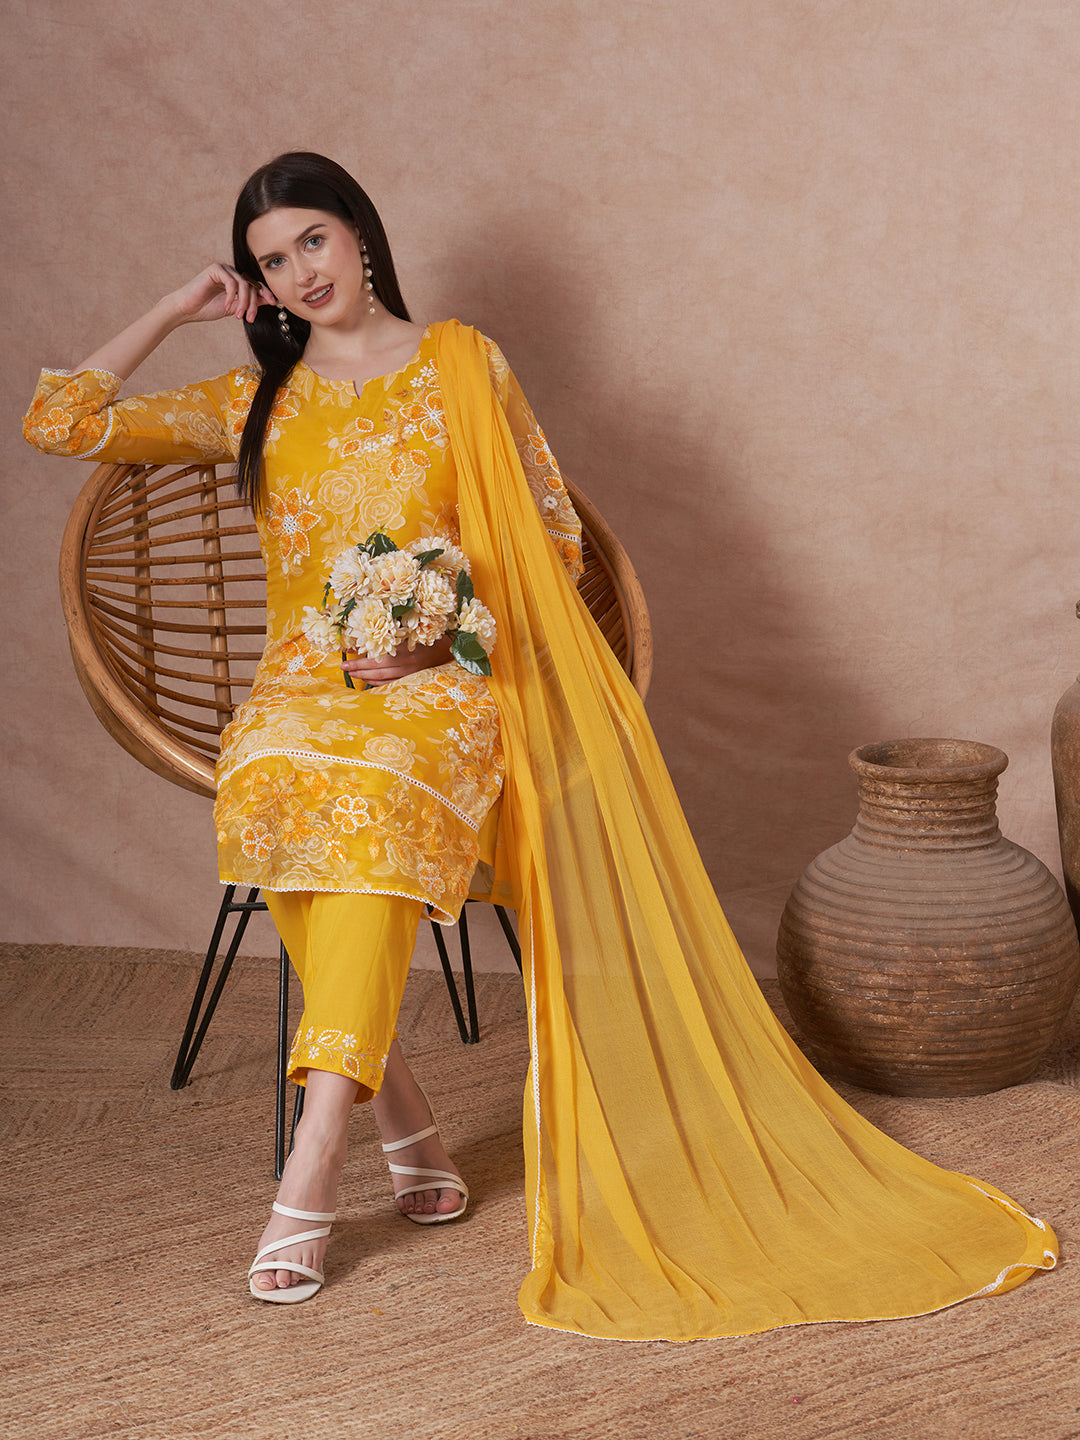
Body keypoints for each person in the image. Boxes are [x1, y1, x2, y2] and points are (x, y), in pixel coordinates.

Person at [24, 152, 1058, 1340]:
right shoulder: (253, 399)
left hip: (448, 689)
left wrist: (437, 641)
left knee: (368, 794)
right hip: (299, 692)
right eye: (271, 260)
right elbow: (62, 423)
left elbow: (552, 545)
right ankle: (399, 1114)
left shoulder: (462, 365)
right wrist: (177, 307)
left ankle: (317, 1149)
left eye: (313, 239)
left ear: (359, 234)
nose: (300, 272)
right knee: (278, 777)